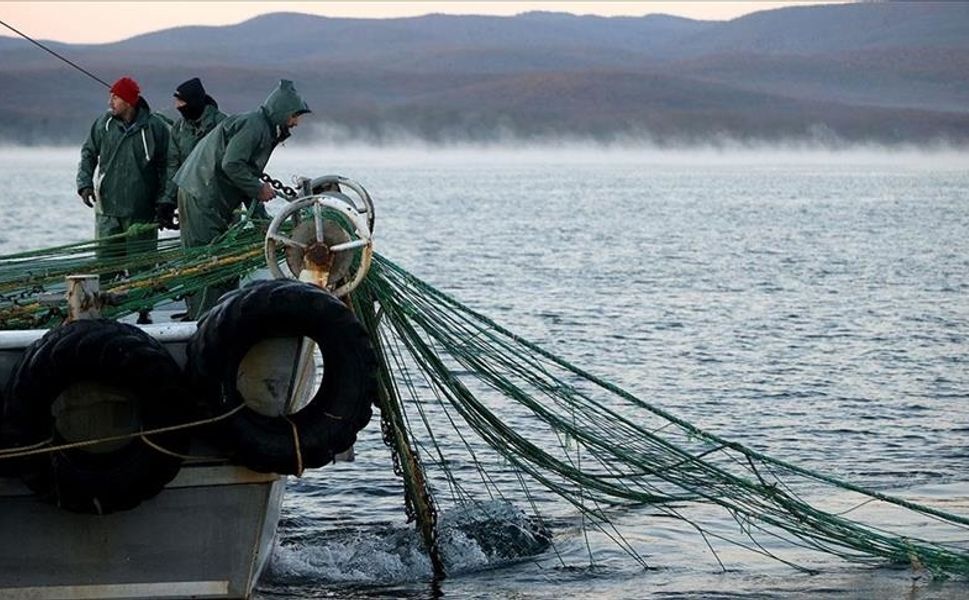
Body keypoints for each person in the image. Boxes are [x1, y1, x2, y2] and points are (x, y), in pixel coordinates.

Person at [173, 79, 311, 319]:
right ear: (281, 111)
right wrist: (259, 190)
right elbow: (232, 165)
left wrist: (262, 223)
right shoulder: (255, 127)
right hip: (201, 193)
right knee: (207, 260)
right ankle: (203, 319)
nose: (296, 122)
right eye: (294, 115)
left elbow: (245, 173)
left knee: (219, 260)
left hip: (207, 194)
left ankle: (217, 315)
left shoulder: (263, 129)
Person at [76, 76, 172, 323]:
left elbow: (167, 165)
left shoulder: (155, 128)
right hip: (107, 209)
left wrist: (165, 201)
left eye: (116, 97)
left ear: (129, 101)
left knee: (142, 265)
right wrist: (84, 183)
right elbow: (88, 153)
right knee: (106, 264)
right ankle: (104, 313)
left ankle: (144, 310)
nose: (111, 101)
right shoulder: (103, 124)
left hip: (141, 209)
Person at [162, 77, 227, 230]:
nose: (178, 107)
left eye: (181, 102)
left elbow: (234, 165)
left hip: (220, 203)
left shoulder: (222, 125)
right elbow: (173, 166)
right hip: (189, 203)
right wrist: (168, 201)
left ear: (193, 102)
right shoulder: (179, 128)